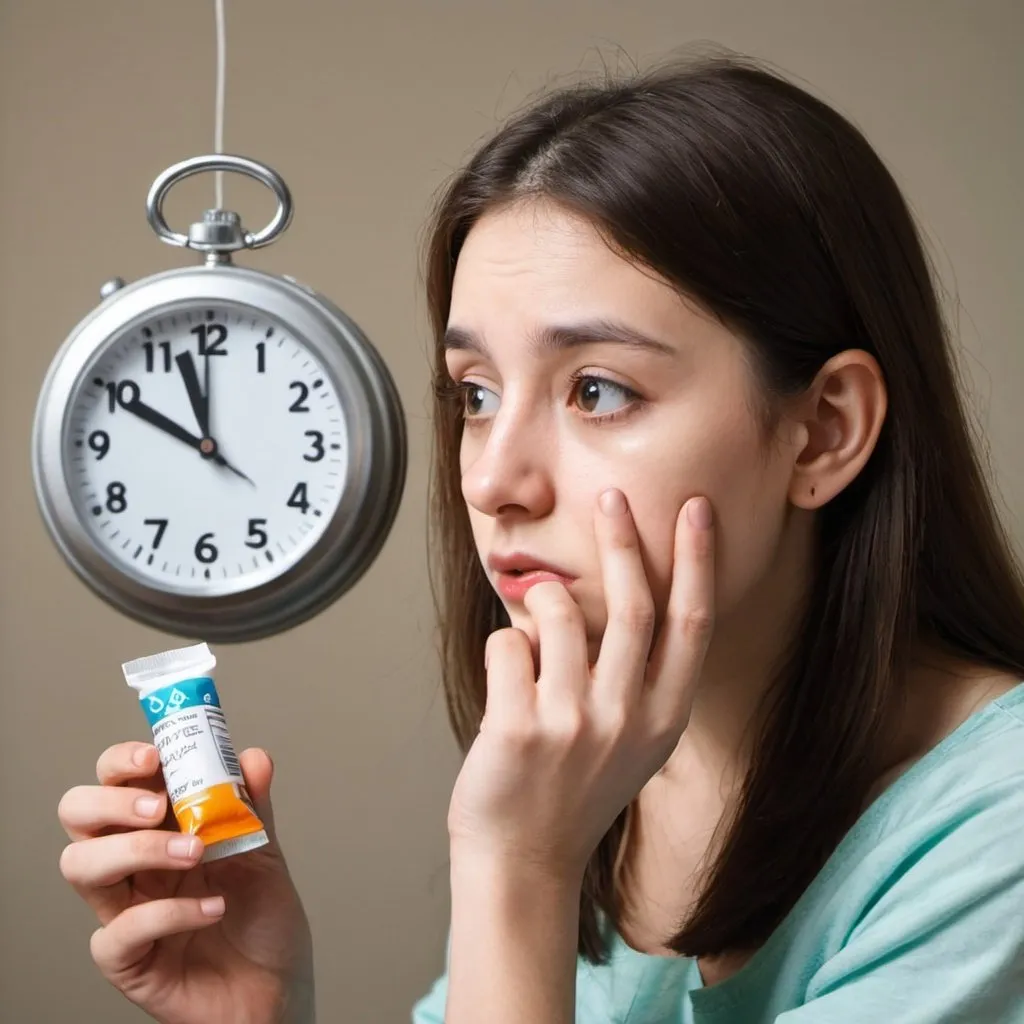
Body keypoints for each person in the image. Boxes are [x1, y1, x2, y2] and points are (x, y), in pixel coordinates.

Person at [56, 51, 1024, 1023]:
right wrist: (265, 1011)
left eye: (596, 390)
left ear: (824, 430)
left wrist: (515, 868)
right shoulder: (593, 769)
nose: (490, 481)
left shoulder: (998, 829)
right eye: (475, 395)